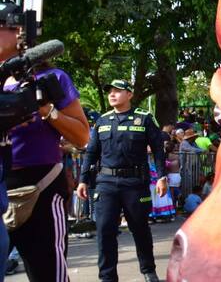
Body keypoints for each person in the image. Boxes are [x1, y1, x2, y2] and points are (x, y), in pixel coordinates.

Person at [3, 37, 89, 281]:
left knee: (48, 273)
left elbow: (82, 136)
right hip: (2, 185)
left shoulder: (52, 79)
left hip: (41, 187)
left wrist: (48, 111)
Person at [75, 80, 166, 282]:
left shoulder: (144, 119)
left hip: (135, 182)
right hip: (106, 183)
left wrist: (161, 176)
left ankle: (148, 271)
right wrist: (82, 180)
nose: (112, 95)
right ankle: (107, 277)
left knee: (140, 228)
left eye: (118, 91)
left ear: (130, 94)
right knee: (105, 230)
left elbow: (159, 150)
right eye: (110, 92)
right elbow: (91, 153)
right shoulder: (102, 121)